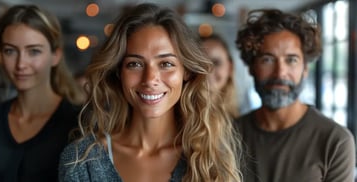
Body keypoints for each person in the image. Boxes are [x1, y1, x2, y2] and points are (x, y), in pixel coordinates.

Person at [59, 3, 241, 182]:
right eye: (135, 64)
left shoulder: (210, 158)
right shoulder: (83, 160)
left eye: (166, 64)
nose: (149, 79)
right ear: (118, 72)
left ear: (186, 71)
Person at [234, 9, 355, 182]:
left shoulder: (334, 141)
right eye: (267, 59)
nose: (280, 73)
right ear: (252, 67)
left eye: (291, 60)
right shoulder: (228, 135)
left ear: (305, 69)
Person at [0, 5, 85, 182]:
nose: (21, 64)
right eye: (10, 51)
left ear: (56, 55)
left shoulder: (80, 123)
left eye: (33, 51)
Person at [200, 34, 239, 119]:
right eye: (201, 63)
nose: (208, 71)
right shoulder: (178, 119)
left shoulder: (241, 122)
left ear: (230, 68)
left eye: (216, 63)